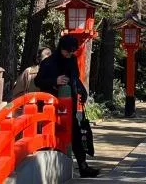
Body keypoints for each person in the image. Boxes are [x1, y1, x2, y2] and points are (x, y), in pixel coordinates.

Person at [35, 36, 101, 178]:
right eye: (67, 51)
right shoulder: (49, 62)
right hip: (51, 105)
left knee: (75, 133)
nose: (69, 54)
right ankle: (50, 166)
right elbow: (38, 81)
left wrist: (82, 91)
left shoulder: (72, 60)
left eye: (72, 52)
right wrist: (55, 81)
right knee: (52, 133)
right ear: (61, 48)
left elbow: (75, 78)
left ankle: (83, 165)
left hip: (68, 104)